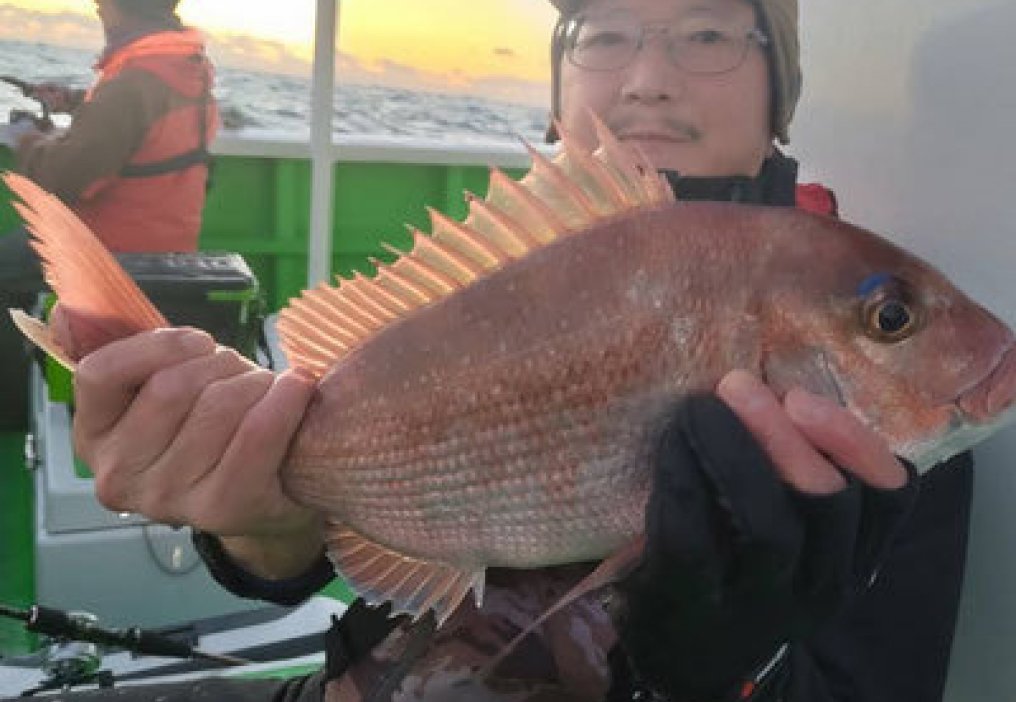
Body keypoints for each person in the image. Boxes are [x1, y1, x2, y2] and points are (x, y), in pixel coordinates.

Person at [13, 0, 972, 700]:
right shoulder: (490, 281)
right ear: (560, 83)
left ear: (782, 93)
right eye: (604, 32)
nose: (648, 75)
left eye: (709, 33)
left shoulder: (894, 441)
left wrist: (715, 666)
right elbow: (318, 551)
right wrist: (264, 529)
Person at [0, 0, 218, 431]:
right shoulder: (185, 65)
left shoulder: (133, 82)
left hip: (106, 255)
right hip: (166, 246)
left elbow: (59, 179)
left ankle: (13, 411)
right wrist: (78, 102)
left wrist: (26, 139)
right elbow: (137, 122)